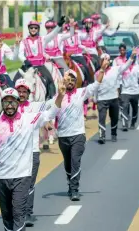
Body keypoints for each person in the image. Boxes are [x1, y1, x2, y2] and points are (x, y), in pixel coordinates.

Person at [0, 86, 65, 231]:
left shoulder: (29, 119)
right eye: (6, 102)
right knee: (7, 216)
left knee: (18, 213)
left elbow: (50, 114)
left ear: (18, 103)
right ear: (2, 104)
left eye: (12, 102)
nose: (9, 105)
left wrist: (60, 96)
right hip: (1, 178)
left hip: (21, 176)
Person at [55, 68, 104, 201]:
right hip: (63, 136)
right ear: (63, 82)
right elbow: (51, 111)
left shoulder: (82, 92)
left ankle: (75, 189)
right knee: (67, 163)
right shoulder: (58, 96)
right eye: (67, 80)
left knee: (75, 160)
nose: (70, 82)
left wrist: (103, 69)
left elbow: (96, 84)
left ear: (76, 82)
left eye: (72, 80)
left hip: (78, 135)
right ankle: (70, 185)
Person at [14, 78, 55, 227]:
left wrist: (61, 92)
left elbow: (52, 104)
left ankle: (28, 213)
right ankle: (17, 211)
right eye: (19, 91)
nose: (22, 94)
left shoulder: (36, 106)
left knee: (30, 184)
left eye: (24, 91)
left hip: (32, 151)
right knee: (16, 184)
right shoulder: (10, 107)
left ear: (29, 93)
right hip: (15, 153)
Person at [18, 16, 67, 99]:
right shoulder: (24, 41)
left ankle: (51, 98)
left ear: (38, 29)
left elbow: (53, 34)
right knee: (15, 80)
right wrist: (25, 60)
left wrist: (59, 25)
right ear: (29, 29)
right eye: (31, 28)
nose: (33, 29)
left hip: (40, 66)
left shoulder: (43, 39)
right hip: (28, 67)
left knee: (50, 81)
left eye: (35, 28)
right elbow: (20, 54)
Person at [95, 52, 135, 144]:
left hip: (113, 98)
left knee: (114, 118)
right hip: (102, 99)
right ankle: (102, 136)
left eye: (107, 60)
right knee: (102, 118)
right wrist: (95, 98)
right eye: (103, 60)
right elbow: (95, 87)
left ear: (109, 61)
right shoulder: (97, 73)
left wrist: (132, 57)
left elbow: (125, 66)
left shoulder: (115, 69)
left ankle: (113, 134)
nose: (105, 62)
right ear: (100, 62)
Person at [120, 50, 139, 131]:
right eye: (131, 57)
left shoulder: (137, 67)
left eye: (134, 58)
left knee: (135, 109)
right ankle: (125, 124)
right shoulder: (124, 66)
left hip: (135, 92)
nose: (133, 59)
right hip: (125, 91)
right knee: (124, 107)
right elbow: (118, 78)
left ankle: (133, 122)